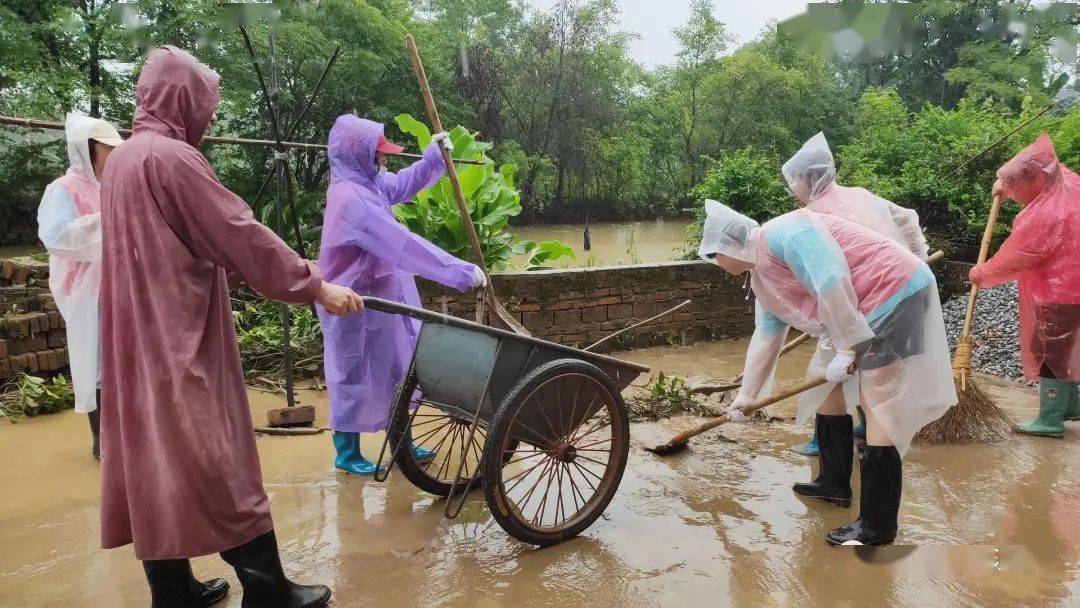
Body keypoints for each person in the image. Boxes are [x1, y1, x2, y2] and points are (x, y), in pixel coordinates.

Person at [98, 46, 362, 608]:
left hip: (134, 339)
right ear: (183, 98)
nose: (211, 118)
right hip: (178, 335)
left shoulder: (121, 160)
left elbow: (172, 245)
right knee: (216, 453)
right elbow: (240, 233)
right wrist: (314, 285)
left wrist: (226, 270)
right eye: (206, 104)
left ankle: (173, 591)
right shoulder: (172, 159)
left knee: (154, 456)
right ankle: (267, 591)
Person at [698, 199, 955, 545]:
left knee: (877, 397)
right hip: (859, 309)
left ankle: (877, 526)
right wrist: (746, 397)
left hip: (894, 291)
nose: (716, 264)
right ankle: (833, 484)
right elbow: (767, 338)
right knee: (824, 386)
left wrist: (847, 348)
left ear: (728, 245)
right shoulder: (762, 276)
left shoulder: (783, 233)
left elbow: (831, 278)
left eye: (714, 256)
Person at [318, 115, 485, 475]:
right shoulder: (353, 200)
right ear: (360, 154)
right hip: (351, 301)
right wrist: (460, 271)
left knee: (398, 369)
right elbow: (403, 245)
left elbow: (403, 183)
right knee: (351, 374)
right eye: (380, 154)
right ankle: (346, 454)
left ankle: (403, 442)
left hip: (378, 299)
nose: (386, 159)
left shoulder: (369, 184)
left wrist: (432, 159)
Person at [781, 132, 930, 456]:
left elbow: (830, 279)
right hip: (902, 289)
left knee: (827, 371)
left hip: (863, 298)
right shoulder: (861, 194)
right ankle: (867, 427)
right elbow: (908, 218)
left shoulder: (814, 217)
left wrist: (841, 341)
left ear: (807, 180)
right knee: (878, 369)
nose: (793, 192)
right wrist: (917, 256)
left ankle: (825, 443)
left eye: (794, 184)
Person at [969, 133, 1080, 437]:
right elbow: (1034, 165)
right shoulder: (1067, 181)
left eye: (1017, 188)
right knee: (1066, 347)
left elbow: (1019, 257)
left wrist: (982, 273)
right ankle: (1072, 405)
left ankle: (1050, 420)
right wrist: (1005, 186)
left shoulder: (1045, 214)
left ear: (1034, 182)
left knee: (1050, 352)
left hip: (1062, 291)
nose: (1015, 193)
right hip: (1074, 286)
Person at [37, 112, 123, 461]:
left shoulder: (109, 187)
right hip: (87, 292)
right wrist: (107, 222)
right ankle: (101, 444)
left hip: (117, 286)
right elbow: (55, 237)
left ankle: (123, 440)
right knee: (95, 364)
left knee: (121, 364)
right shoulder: (62, 189)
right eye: (108, 151)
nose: (113, 158)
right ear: (89, 150)